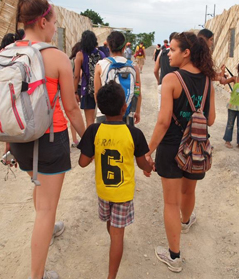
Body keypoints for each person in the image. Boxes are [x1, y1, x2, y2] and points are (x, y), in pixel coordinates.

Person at [8, 0, 85, 279]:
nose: (55, 28)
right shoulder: (54, 57)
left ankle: (49, 226)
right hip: (50, 140)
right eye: (54, 23)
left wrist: (8, 144)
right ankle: (36, 275)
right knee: (46, 208)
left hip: (18, 138)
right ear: (42, 21)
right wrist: (88, 139)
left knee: (39, 188)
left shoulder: (8, 52)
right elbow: (72, 108)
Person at [144, 32, 216, 272]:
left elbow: (163, 122)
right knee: (189, 191)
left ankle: (174, 257)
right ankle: (186, 222)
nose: (168, 53)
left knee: (170, 202)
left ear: (186, 52)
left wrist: (148, 150)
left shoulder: (171, 80)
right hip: (196, 146)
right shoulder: (207, 80)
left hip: (171, 147)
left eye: (173, 49)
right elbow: (212, 119)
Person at [78, 81, 153, 279]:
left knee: (110, 223)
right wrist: (149, 168)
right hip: (123, 193)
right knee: (118, 234)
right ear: (124, 107)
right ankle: (111, 276)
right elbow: (142, 163)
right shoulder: (133, 133)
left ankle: (114, 244)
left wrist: (93, 149)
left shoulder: (94, 130)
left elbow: (83, 162)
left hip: (104, 191)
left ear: (100, 108)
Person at [94, 31, 141, 126]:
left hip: (104, 115)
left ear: (109, 47)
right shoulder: (134, 67)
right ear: (124, 48)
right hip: (127, 113)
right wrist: (137, 111)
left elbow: (96, 93)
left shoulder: (100, 65)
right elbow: (137, 93)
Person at [74, 30, 105, 127]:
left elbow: (76, 76)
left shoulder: (80, 54)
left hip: (87, 90)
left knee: (90, 121)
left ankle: (91, 141)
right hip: (101, 90)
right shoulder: (101, 54)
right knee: (101, 119)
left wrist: (75, 92)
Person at [154, 33, 178, 110]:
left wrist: (158, 81)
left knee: (162, 110)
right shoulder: (180, 54)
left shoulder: (162, 52)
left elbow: (155, 70)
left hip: (163, 84)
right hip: (176, 86)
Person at [220, 63, 239, 148]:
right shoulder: (235, 78)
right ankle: (227, 141)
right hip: (232, 106)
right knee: (230, 124)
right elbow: (223, 82)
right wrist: (223, 71)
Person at [69, 41, 82, 148]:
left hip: (71, 88)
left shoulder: (70, 61)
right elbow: (78, 76)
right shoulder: (80, 60)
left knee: (72, 114)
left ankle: (74, 139)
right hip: (79, 88)